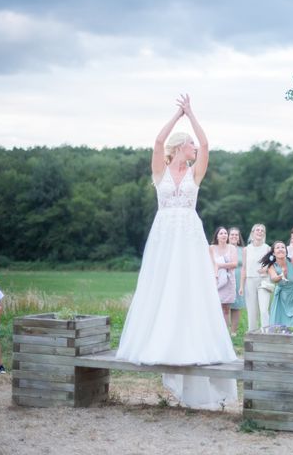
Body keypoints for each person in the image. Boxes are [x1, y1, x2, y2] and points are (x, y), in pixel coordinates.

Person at [116, 94, 237, 410]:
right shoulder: (161, 172)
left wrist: (193, 114)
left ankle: (190, 343)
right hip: (165, 237)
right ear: (181, 147)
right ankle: (159, 342)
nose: (195, 149)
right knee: (162, 285)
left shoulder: (196, 173)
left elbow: (207, 145)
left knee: (189, 287)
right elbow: (158, 142)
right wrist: (177, 117)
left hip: (189, 236)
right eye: (191, 146)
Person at [240, 224, 272, 330]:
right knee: (252, 311)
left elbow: (272, 266)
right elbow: (244, 268)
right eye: (257, 230)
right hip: (250, 281)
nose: (259, 232)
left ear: (264, 234)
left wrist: (266, 269)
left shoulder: (267, 248)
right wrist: (241, 286)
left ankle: (266, 333)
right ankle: (252, 333)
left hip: (264, 281)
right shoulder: (246, 249)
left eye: (262, 230)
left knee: (263, 310)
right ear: (252, 233)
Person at [209, 226, 238, 328]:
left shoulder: (232, 248)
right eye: (221, 233)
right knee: (214, 306)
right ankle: (214, 330)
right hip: (215, 280)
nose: (224, 235)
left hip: (228, 281)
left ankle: (226, 333)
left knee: (226, 308)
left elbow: (234, 264)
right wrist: (216, 270)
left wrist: (220, 265)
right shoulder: (211, 248)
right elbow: (210, 264)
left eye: (225, 233)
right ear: (217, 236)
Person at [228, 227, 245, 336]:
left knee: (236, 306)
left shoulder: (243, 250)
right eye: (232, 235)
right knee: (224, 305)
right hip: (225, 279)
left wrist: (242, 285)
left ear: (239, 238)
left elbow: (245, 267)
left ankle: (233, 332)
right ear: (228, 237)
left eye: (236, 235)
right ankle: (223, 331)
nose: (234, 237)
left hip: (239, 280)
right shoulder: (223, 248)